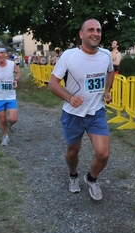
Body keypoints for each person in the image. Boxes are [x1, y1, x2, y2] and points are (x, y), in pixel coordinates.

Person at [48, 19, 114, 201]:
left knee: (103, 154)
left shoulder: (106, 55)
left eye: (99, 30)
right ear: (81, 34)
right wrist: (69, 97)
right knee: (72, 152)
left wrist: (107, 91)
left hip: (96, 112)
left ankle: (92, 179)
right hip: (73, 114)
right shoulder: (69, 56)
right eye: (91, 29)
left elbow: (110, 72)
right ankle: (73, 174)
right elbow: (52, 84)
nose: (96, 33)